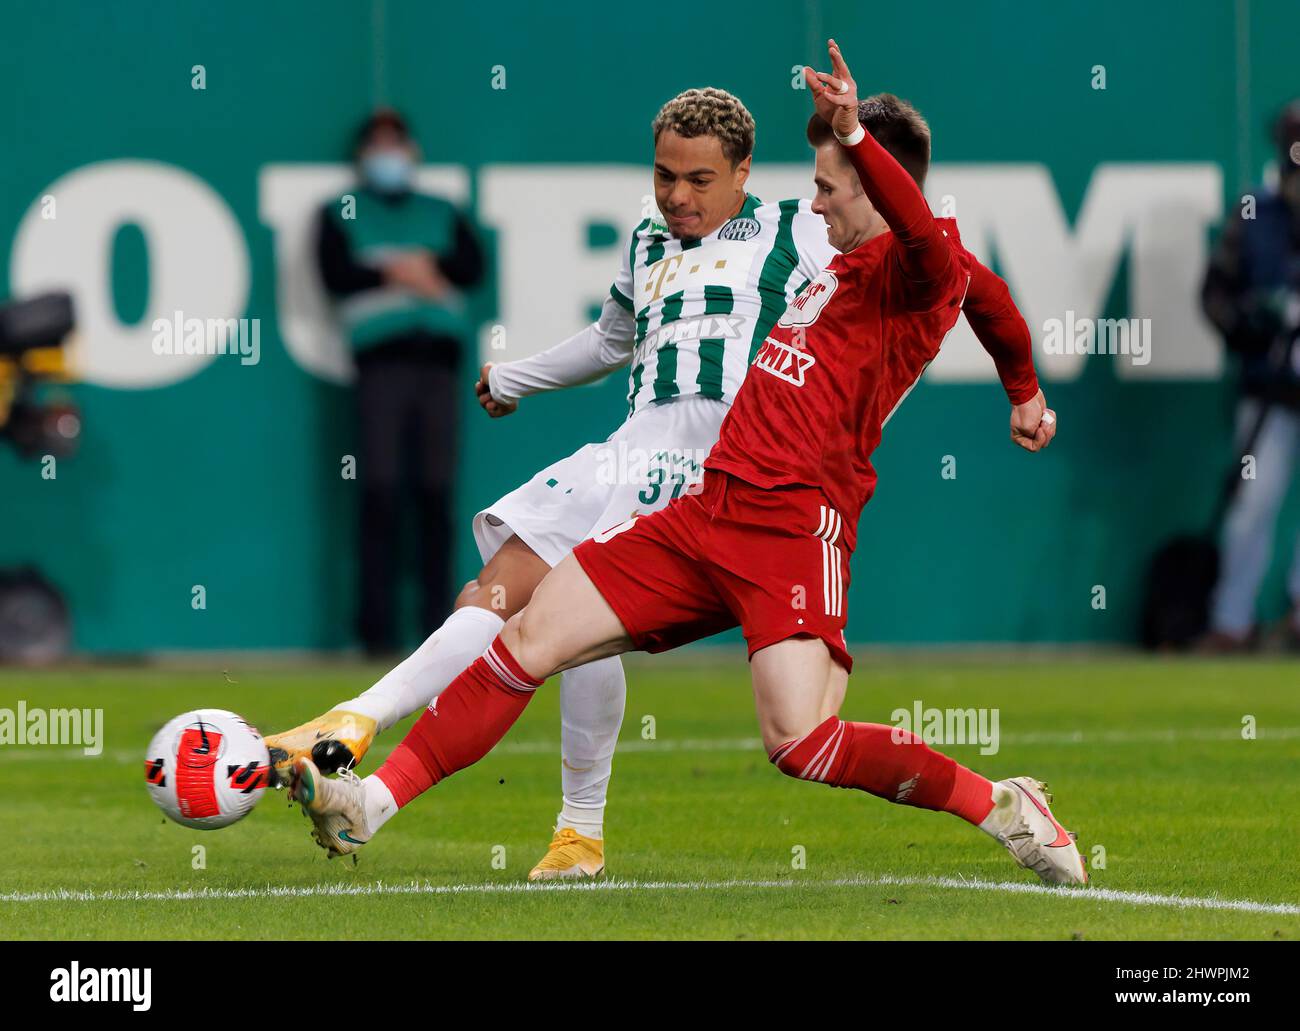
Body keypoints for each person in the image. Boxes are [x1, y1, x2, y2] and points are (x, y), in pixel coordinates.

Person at [292, 40, 1086, 887]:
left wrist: (857, 136)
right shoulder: (846, 254)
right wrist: (1024, 391)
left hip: (795, 520)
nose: (813, 206)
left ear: (876, 178)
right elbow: (997, 304)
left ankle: (1001, 805)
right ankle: (371, 801)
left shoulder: (918, 271)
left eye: (828, 186)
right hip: (708, 508)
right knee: (529, 635)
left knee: (801, 742)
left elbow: (944, 255)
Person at [270, 87, 836, 879]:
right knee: (491, 598)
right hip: (629, 451)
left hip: (712, 473)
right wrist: (516, 378)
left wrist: (1021, 386)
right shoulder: (648, 238)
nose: (677, 195)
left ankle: (548, 817)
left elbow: (911, 263)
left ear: (744, 171)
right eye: (664, 175)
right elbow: (612, 340)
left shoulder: (800, 229)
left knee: (565, 621)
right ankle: (370, 737)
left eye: (700, 180)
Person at [317, 109, 485, 655]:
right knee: (381, 491)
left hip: (438, 363)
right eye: (377, 145)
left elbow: (472, 266)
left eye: (396, 143)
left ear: (412, 150)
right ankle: (377, 633)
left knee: (435, 494)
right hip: (381, 364)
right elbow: (335, 274)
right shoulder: (342, 211)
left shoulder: (441, 210)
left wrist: (427, 264)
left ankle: (441, 630)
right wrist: (397, 271)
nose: (388, 154)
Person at [1200, 100, 1300, 651]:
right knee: (1251, 506)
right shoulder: (1255, 213)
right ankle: (1231, 622)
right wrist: (1252, 323)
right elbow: (1214, 293)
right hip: (1269, 390)